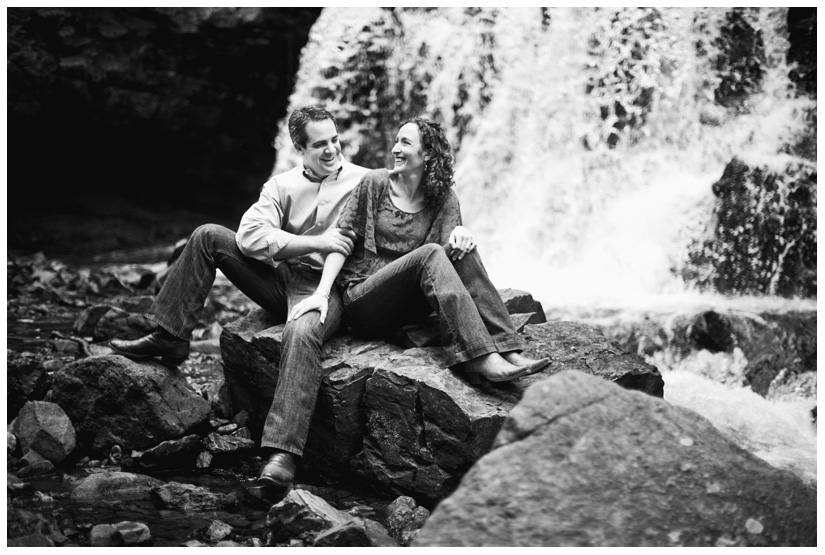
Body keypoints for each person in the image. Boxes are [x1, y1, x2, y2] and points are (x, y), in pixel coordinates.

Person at [109, 105, 370, 487]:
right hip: (284, 279)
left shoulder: (366, 180)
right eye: (319, 144)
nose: (331, 150)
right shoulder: (281, 186)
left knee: (298, 333)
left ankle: (283, 453)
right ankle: (171, 335)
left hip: (331, 286)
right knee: (208, 235)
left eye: (334, 140)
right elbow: (249, 237)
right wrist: (313, 241)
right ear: (299, 146)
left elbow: (412, 204)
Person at [288, 117, 550, 384]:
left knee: (465, 250)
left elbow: (451, 256)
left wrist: (460, 234)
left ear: (426, 154)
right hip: (363, 299)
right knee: (430, 253)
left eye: (405, 142)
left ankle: (508, 348)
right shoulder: (376, 183)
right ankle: (481, 358)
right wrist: (322, 293)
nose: (395, 149)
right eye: (396, 141)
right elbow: (341, 240)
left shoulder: (444, 196)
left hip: (410, 305)